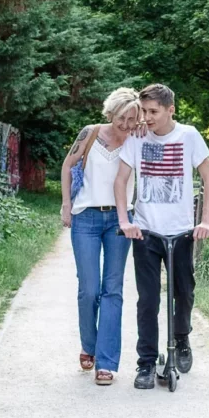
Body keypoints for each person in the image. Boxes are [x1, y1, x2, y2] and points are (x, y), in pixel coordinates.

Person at [113, 83, 209, 390]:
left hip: (181, 232)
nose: (146, 118)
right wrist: (125, 220)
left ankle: (181, 337)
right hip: (146, 233)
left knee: (183, 292)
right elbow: (121, 182)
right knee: (147, 301)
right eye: (144, 111)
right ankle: (146, 363)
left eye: (153, 112)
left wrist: (206, 221)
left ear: (171, 110)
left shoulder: (189, 136)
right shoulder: (136, 139)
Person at [60, 88, 142, 386]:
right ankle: (88, 344)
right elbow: (68, 166)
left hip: (120, 220)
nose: (127, 124)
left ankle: (106, 363)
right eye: (123, 117)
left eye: (133, 119)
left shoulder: (137, 140)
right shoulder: (90, 134)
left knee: (113, 289)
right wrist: (67, 205)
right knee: (89, 289)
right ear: (111, 113)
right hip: (87, 217)